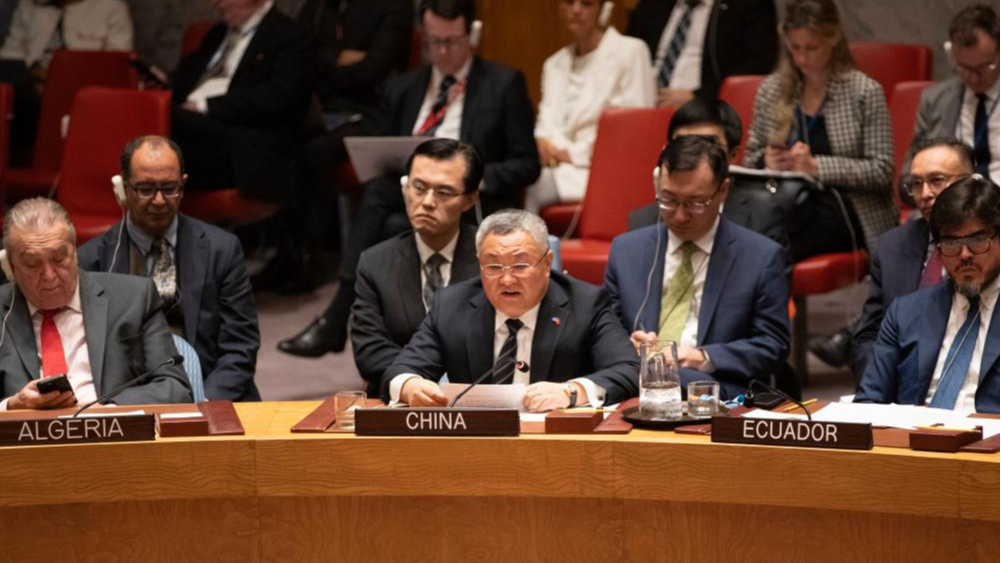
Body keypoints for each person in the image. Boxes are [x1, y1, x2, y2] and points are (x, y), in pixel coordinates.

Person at [278, 0, 539, 358]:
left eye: (452, 42)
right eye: (434, 43)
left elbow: (527, 163)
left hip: (465, 202)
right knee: (390, 206)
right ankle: (398, 336)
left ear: (471, 36)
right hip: (410, 195)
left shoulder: (502, 83)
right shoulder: (404, 88)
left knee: (387, 210)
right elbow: (390, 146)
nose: (443, 52)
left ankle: (340, 315)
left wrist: (471, 180)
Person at [383, 210, 639, 411]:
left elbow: (629, 369)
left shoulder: (586, 303)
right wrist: (410, 385)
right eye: (493, 266)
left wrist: (571, 392)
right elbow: (399, 372)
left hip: (557, 444)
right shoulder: (451, 306)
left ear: (547, 263)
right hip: (476, 443)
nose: (506, 280)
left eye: (519, 265)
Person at [77, 136, 262, 402]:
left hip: (214, 391)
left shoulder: (222, 249)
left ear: (183, 184)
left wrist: (205, 404)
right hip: (131, 400)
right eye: (146, 189)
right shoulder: (93, 260)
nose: (160, 200)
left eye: (169, 188)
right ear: (123, 188)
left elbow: (240, 345)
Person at [604, 136, 790, 400]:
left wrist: (699, 357)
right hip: (634, 388)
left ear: (723, 191)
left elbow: (773, 347)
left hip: (713, 391)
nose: (679, 215)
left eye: (695, 203)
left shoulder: (760, 257)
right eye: (668, 199)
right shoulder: (626, 251)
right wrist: (627, 348)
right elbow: (602, 333)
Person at [261, 0, 414, 292]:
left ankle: (311, 254)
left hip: (374, 112)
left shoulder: (395, 6)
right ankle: (286, 251)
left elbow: (375, 68)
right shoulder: (317, 6)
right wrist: (340, 58)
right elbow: (299, 55)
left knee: (316, 150)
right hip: (321, 106)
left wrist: (324, 66)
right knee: (273, 139)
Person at [0, 198, 192, 411]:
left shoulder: (134, 298)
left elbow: (175, 388)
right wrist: (11, 405)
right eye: (32, 264)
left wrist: (106, 410)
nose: (49, 275)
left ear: (75, 253)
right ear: (10, 266)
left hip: (114, 436)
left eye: (59, 259)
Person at [744, 0, 897, 263]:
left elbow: (881, 171)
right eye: (795, 48)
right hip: (784, 202)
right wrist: (766, 162)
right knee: (755, 228)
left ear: (833, 37)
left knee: (768, 241)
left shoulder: (863, 92)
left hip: (845, 208)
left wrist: (816, 167)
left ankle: (758, 301)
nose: (802, 58)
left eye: (811, 48)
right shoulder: (772, 90)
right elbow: (750, 157)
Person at [856, 176, 999, 414]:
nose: (964, 254)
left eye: (977, 239)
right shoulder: (906, 312)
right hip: (917, 441)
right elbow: (869, 401)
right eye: (951, 242)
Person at [351, 139, 482, 397]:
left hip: (478, 399)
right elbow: (369, 348)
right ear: (405, 188)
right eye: (419, 187)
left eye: (444, 192)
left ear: (469, 200)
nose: (428, 202)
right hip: (403, 401)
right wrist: (409, 381)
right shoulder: (375, 262)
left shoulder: (491, 259)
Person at [842, 139, 976, 381]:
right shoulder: (892, 245)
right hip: (899, 385)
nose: (925, 194)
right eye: (916, 184)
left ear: (969, 182)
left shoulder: (990, 245)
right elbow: (869, 334)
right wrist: (879, 384)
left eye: (937, 180)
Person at [169, 0, 313, 202]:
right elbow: (183, 82)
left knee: (167, 123)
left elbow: (277, 99)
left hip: (240, 140)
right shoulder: (217, 34)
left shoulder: (289, 35)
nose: (218, 4)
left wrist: (205, 106)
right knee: (143, 113)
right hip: (192, 129)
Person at [525, 0, 654, 213]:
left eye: (586, 3)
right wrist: (544, 146)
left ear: (603, 9)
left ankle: (529, 247)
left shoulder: (631, 51)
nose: (576, 10)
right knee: (517, 177)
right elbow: (544, 126)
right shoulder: (554, 64)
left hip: (605, 169)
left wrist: (570, 153)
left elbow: (635, 131)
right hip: (556, 166)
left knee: (534, 184)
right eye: (569, 2)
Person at [0, 0, 133, 161]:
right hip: (30, 92)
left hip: (85, 94)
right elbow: (10, 57)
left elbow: (116, 66)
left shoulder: (111, 6)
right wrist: (34, 76)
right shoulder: (28, 5)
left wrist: (59, 76)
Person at [626, 0, 779, 108]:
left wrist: (699, 97)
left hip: (705, 109)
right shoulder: (653, 5)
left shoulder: (748, 5)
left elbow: (758, 65)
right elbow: (628, 53)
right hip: (642, 102)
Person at [908, 5, 999, 186]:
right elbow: (909, 174)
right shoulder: (934, 100)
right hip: (950, 206)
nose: (972, 78)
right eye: (964, 68)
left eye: (982, 68)